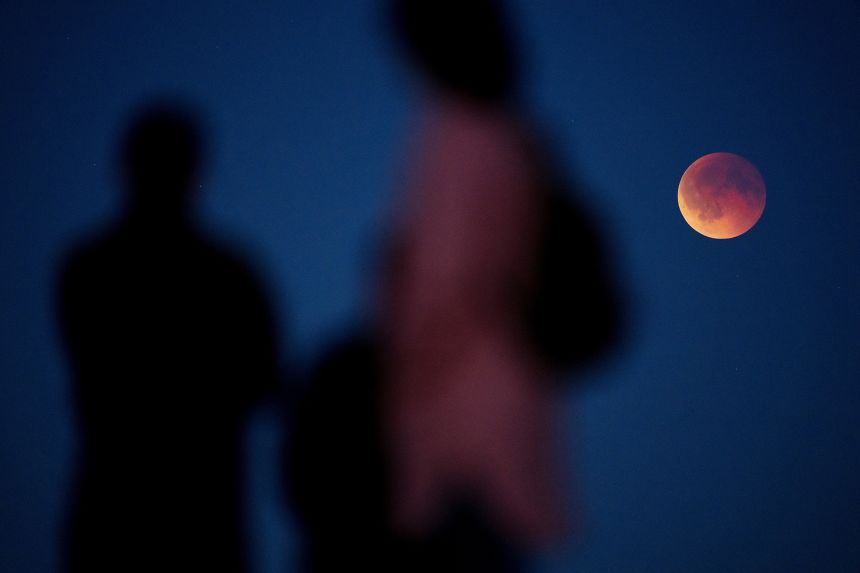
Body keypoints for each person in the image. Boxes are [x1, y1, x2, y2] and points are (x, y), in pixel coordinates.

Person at [56, 103, 277, 572]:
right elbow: (263, 380)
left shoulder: (90, 268)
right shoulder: (229, 275)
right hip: (192, 516)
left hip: (128, 513)